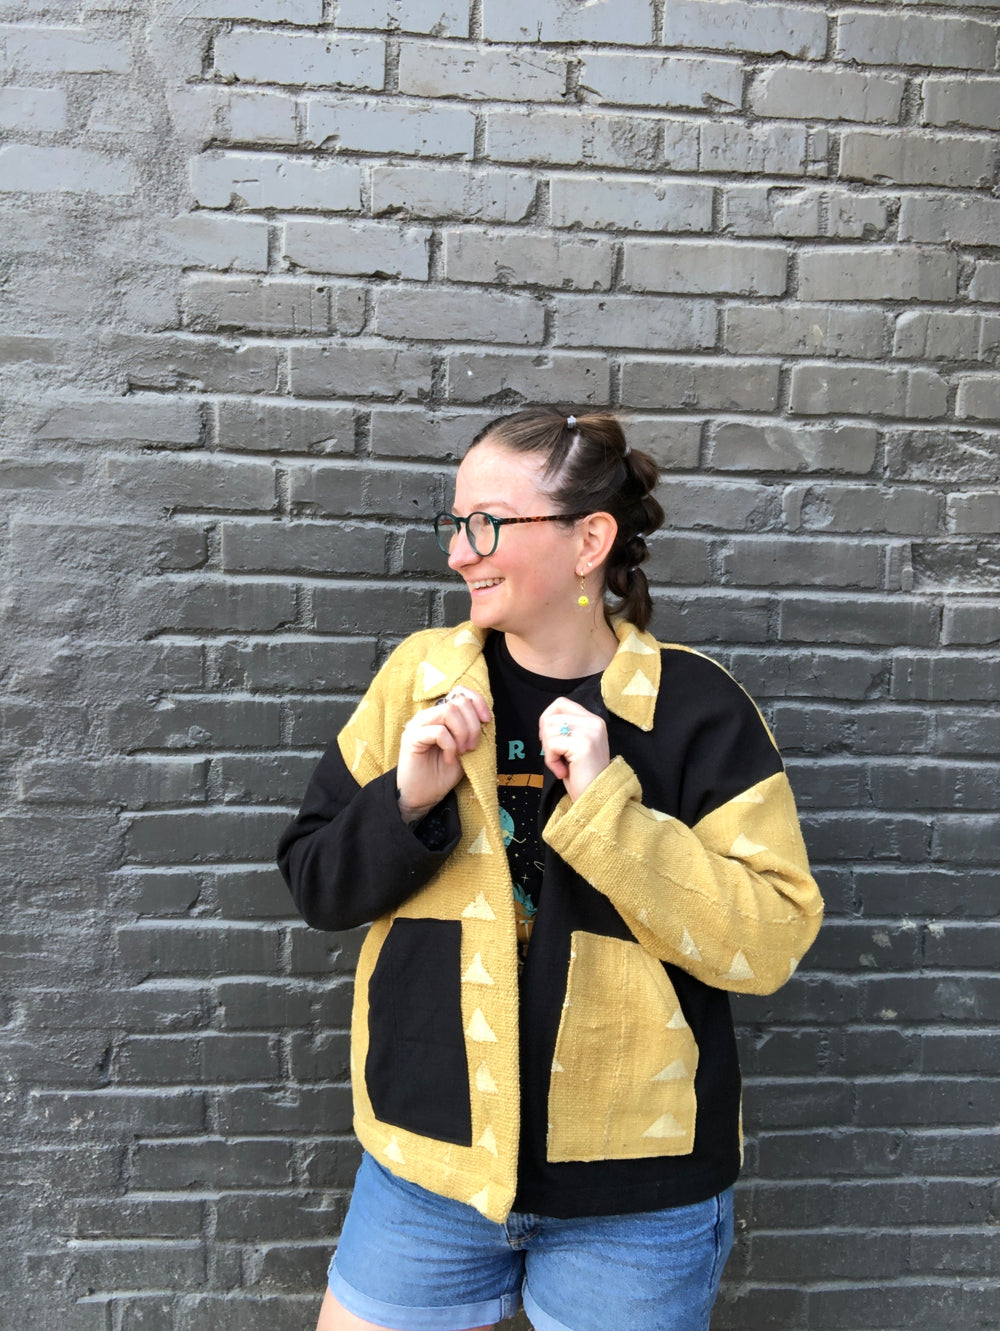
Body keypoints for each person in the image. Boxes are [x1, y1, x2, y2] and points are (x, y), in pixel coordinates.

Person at [277, 407, 823, 1331]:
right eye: (456, 525)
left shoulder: (695, 708)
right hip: (428, 1167)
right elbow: (318, 884)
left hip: (636, 1200)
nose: (460, 551)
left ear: (589, 540)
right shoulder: (420, 681)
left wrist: (612, 808)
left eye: (486, 523)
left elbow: (767, 940)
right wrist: (405, 802)